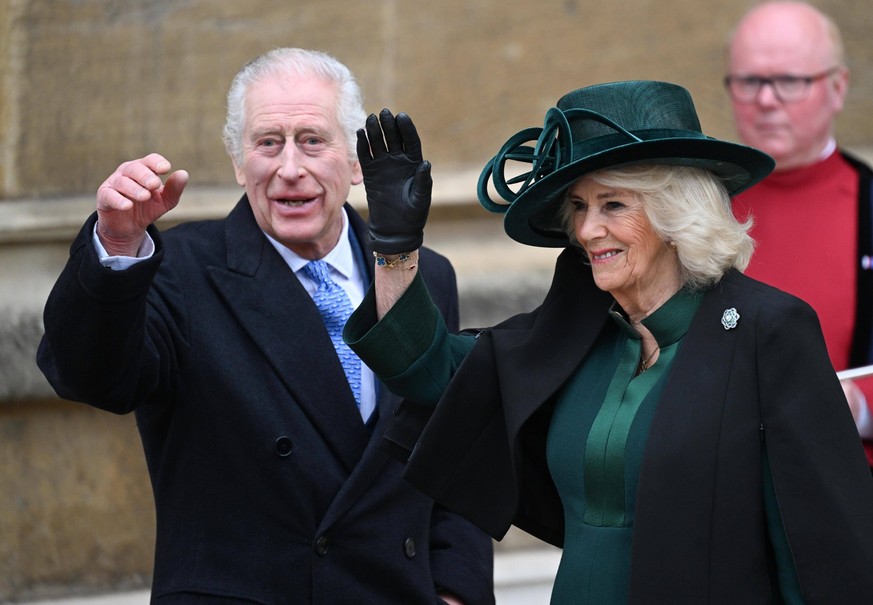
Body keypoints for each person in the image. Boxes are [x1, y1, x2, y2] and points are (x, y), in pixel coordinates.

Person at [345, 81, 873, 604]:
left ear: (675, 212)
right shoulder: (574, 336)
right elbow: (421, 367)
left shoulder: (769, 331)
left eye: (613, 204)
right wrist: (395, 248)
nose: (589, 229)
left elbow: (823, 548)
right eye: (578, 206)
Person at [36, 48, 493, 605]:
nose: (290, 168)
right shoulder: (175, 269)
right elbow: (91, 377)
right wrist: (117, 247)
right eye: (268, 142)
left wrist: (455, 591)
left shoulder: (422, 274)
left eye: (313, 140)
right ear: (238, 162)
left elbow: (454, 451)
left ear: (355, 162)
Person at [725, 0, 873, 465]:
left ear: (837, 87)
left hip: (843, 479)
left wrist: (857, 405)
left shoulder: (868, 203)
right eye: (750, 81)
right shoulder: (696, 205)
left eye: (790, 81)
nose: (766, 100)